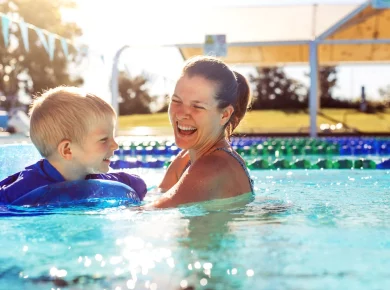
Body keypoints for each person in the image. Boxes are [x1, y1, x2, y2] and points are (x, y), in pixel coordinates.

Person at [0, 86, 146, 204]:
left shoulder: (97, 177)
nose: (115, 145)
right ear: (67, 150)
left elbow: (138, 185)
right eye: (104, 139)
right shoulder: (24, 189)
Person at [150, 56, 253, 208]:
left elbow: (145, 214)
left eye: (197, 106)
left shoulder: (211, 168)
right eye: (176, 101)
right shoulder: (186, 158)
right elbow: (157, 196)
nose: (181, 114)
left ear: (224, 115)